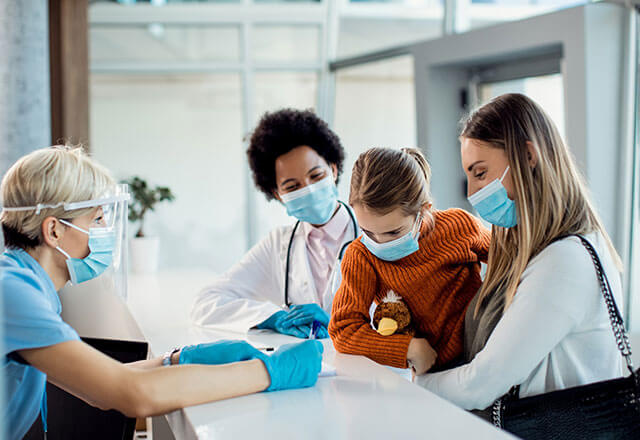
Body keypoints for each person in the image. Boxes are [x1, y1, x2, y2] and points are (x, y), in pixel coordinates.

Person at [0, 146, 323, 440]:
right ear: (54, 230)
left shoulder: (23, 284)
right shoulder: (13, 294)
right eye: (97, 219)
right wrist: (271, 372)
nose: (105, 231)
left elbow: (97, 385)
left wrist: (178, 360)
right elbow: (132, 394)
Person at [414, 93, 626, 412]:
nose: (472, 193)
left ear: (528, 156)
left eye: (480, 172)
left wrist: (410, 381)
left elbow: (480, 385)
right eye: (468, 176)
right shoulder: (528, 254)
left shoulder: (565, 261)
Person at [191, 109, 358, 339]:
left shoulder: (376, 234)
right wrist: (273, 317)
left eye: (316, 176)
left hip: (375, 369)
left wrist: (345, 328)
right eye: (292, 186)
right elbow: (206, 303)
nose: (307, 189)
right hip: (311, 370)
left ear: (333, 168)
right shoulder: (278, 245)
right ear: (277, 194)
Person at [328, 147, 491, 375]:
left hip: (486, 351)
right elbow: (344, 329)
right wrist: (409, 348)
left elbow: (513, 262)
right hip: (433, 369)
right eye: (367, 231)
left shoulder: (459, 225)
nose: (379, 242)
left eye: (393, 233)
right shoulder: (361, 256)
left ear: (423, 210)